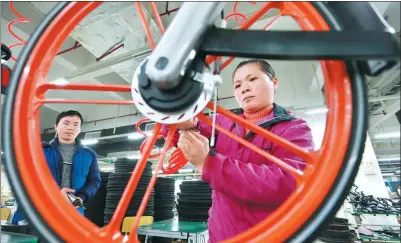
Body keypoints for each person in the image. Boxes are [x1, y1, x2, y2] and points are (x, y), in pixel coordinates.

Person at [162, 59, 314, 242]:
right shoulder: (223, 123)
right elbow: (181, 131)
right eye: (238, 85)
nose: (244, 88)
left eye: (252, 79)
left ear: (274, 82)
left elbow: (287, 183)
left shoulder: (293, 128)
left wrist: (208, 163)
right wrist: (180, 119)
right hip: (220, 236)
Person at [14, 110, 101, 224]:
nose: (70, 128)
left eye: (76, 125)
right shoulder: (39, 150)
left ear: (80, 129)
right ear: (56, 126)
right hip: (40, 209)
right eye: (66, 123)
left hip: (72, 211)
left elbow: (95, 181)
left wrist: (81, 197)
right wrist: (56, 193)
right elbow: (26, 178)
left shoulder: (89, 154)